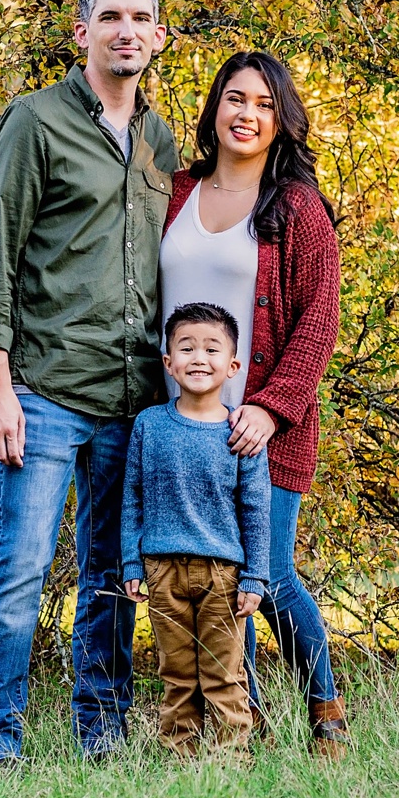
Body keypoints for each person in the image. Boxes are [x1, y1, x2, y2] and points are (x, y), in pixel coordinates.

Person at [0, 0, 179, 767]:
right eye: (110, 17)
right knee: (18, 571)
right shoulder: (35, 122)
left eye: (140, 18)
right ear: (81, 32)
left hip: (132, 397)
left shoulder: (159, 138)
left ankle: (103, 733)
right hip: (44, 391)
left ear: (158, 36)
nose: (126, 31)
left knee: (114, 579)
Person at [161, 51, 348, 758]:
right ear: (213, 109)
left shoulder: (296, 206)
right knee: (210, 583)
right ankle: (251, 721)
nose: (247, 114)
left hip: (261, 428)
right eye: (235, 99)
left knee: (266, 578)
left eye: (265, 104)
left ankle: (325, 707)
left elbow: (319, 320)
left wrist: (272, 408)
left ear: (282, 120)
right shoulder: (176, 192)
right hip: (184, 427)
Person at [121, 302, 271, 756]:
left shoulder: (240, 430)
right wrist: (132, 558)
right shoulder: (149, 425)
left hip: (223, 575)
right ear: (168, 363)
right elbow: (132, 496)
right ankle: (180, 761)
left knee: (224, 674)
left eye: (211, 349)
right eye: (186, 348)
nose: (198, 358)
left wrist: (255, 575)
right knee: (178, 674)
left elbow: (256, 508)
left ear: (232, 364)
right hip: (162, 572)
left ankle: (229, 762)